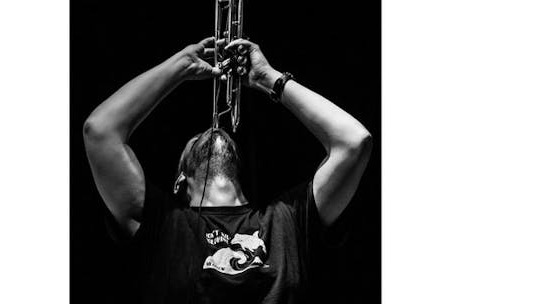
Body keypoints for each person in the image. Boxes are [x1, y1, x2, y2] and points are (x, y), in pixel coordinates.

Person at [83, 37, 372, 303]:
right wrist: (179, 68)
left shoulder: (286, 220)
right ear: (180, 180)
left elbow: (354, 141)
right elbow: (99, 131)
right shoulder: (163, 226)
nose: (210, 131)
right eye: (196, 139)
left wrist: (269, 79)